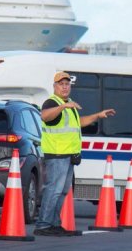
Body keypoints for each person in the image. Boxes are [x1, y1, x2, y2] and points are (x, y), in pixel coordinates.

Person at [35, 72, 115, 236]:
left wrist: (98, 115)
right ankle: (43, 224)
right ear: (54, 86)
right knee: (54, 190)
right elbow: (44, 116)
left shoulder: (69, 103)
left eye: (67, 84)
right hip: (57, 155)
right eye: (61, 84)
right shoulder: (53, 102)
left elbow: (79, 123)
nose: (65, 87)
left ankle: (54, 223)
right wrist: (63, 107)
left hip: (69, 156)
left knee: (63, 191)